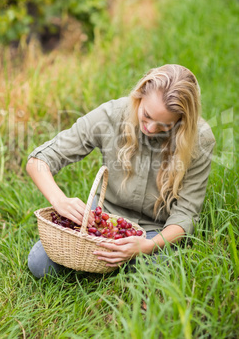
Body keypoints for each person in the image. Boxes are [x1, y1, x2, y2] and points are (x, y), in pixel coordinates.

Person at [26, 64, 215, 278]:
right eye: (146, 115)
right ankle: (105, 262)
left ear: (181, 121)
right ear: (139, 96)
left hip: (155, 229)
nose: (151, 129)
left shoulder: (199, 138)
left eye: (164, 126)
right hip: (103, 218)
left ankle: (106, 265)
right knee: (41, 264)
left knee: (158, 269)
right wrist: (59, 200)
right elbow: (38, 160)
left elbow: (186, 214)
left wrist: (147, 246)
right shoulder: (112, 115)